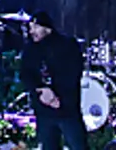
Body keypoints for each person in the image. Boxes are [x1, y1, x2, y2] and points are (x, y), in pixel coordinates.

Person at [20, 13, 88, 150]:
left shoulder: (68, 45)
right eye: (30, 27)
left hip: (66, 109)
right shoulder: (30, 49)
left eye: (35, 27)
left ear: (47, 28)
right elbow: (25, 74)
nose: (31, 31)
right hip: (43, 111)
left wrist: (55, 96)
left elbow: (73, 73)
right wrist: (40, 90)